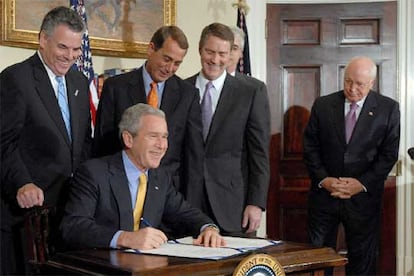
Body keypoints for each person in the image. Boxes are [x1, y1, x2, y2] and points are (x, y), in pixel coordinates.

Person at [0, 6, 92, 274]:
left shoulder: (79, 80)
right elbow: (3, 142)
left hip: (66, 212)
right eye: (63, 47)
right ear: (43, 39)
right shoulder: (15, 79)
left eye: (76, 50)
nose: (71, 57)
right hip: (25, 214)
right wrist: (22, 182)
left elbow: (83, 141)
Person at [60, 103, 225, 250]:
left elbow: (185, 212)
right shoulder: (93, 173)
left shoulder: (160, 177)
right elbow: (73, 227)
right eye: (153, 136)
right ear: (129, 139)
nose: (161, 145)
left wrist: (208, 228)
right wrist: (125, 238)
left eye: (165, 137)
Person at [303, 56, 400, 275]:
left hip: (363, 200)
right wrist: (324, 179)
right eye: (348, 81)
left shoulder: (388, 109)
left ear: (372, 84)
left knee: (362, 262)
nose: (352, 88)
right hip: (324, 197)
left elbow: (388, 154)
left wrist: (361, 183)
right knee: (318, 260)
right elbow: (310, 147)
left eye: (360, 84)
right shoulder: (323, 104)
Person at [93, 25, 203, 194]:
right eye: (166, 59)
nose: (170, 68)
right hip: (120, 188)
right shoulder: (116, 87)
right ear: (151, 49)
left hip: (167, 192)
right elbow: (103, 144)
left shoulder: (188, 94)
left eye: (177, 63)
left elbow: (193, 155)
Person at [185, 23, 271, 236]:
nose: (215, 60)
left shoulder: (251, 91)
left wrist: (256, 203)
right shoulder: (181, 89)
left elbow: (259, 154)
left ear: (232, 53)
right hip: (187, 202)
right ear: (200, 49)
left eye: (222, 53)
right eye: (210, 52)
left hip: (233, 205)